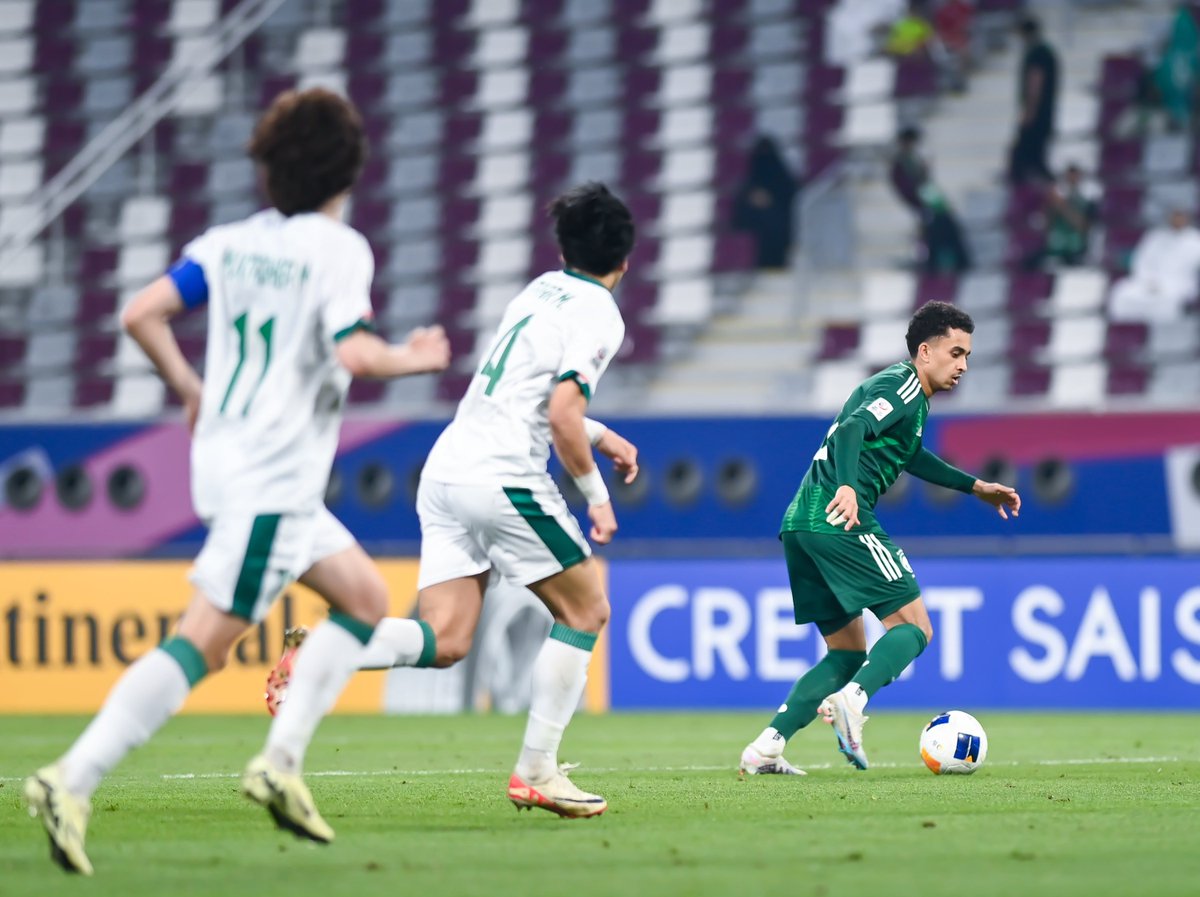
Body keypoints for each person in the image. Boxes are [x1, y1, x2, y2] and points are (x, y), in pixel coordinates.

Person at [23, 88, 450, 875]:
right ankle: (69, 778)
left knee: (362, 599)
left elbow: (141, 313)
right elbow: (355, 353)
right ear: (347, 168)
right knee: (203, 647)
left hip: (230, 460)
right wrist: (415, 357)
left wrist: (188, 389)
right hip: (274, 476)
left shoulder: (228, 243)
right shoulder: (338, 248)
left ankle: (281, 762)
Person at [272, 182, 636, 818]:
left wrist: (600, 436)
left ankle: (322, 652)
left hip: (446, 473)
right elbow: (560, 410)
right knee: (586, 611)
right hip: (504, 478)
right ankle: (537, 771)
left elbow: (529, 399)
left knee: (445, 640)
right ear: (625, 260)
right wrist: (595, 497)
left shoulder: (537, 291)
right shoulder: (601, 312)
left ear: (563, 246)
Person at [739, 301, 1020, 776]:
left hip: (802, 525)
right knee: (917, 628)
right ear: (925, 351)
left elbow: (911, 455)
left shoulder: (909, 399)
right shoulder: (903, 385)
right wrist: (848, 486)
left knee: (848, 651)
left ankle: (766, 748)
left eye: (967, 356)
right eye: (956, 353)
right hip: (839, 519)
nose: (963, 366)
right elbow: (853, 429)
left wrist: (975, 487)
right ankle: (853, 702)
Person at [889, 127, 971, 273]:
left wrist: (940, 203)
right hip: (921, 204)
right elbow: (911, 188)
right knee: (933, 233)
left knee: (947, 228)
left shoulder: (914, 160)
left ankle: (955, 262)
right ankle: (932, 264)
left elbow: (926, 185)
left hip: (929, 202)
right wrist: (923, 203)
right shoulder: (900, 164)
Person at [1108, 207, 1200, 322]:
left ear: (1187, 218)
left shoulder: (1196, 240)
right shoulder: (1155, 236)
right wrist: (1149, 281)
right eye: (1175, 216)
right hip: (1148, 282)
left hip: (1179, 284)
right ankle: (1122, 330)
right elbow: (1141, 262)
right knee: (1122, 291)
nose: (1178, 220)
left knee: (1168, 299)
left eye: (1181, 217)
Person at [731, 136, 800, 269]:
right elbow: (738, 222)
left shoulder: (786, 185)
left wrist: (770, 207)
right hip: (756, 242)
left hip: (782, 238)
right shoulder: (748, 189)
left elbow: (793, 217)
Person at [1008, 15, 1059, 184]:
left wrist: (1029, 110)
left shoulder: (1037, 52)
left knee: (1030, 152)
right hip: (1044, 110)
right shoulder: (1045, 51)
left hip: (1037, 112)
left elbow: (1035, 81)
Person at [1025, 163, 1099, 269]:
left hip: (1076, 250)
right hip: (1055, 247)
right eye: (1069, 176)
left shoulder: (1089, 201)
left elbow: (1084, 226)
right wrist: (1050, 205)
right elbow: (1047, 226)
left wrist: (1061, 206)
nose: (1071, 180)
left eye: (1075, 176)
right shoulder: (1057, 198)